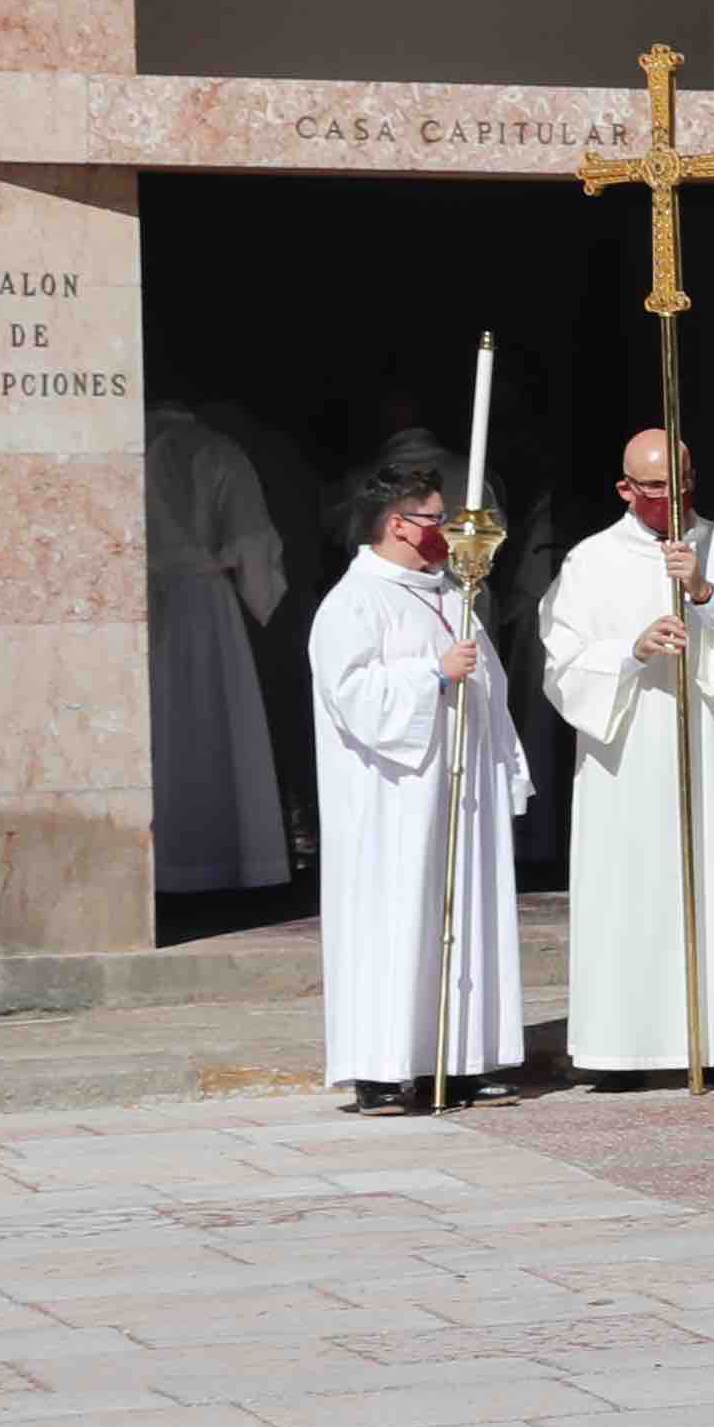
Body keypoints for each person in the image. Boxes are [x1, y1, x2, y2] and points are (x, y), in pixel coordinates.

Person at [538, 429, 714, 1084]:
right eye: (655, 489)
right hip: (626, 760)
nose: (672, 499)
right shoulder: (591, 561)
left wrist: (707, 595)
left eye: (681, 484)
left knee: (710, 884)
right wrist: (631, 649)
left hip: (706, 746)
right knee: (628, 895)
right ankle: (619, 1051)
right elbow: (562, 666)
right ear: (625, 488)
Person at [305, 440, 526, 1110]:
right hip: (391, 805)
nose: (447, 534)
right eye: (434, 521)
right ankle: (381, 1067)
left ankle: (456, 1058)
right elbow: (350, 693)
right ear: (397, 524)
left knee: (460, 916)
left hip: (455, 796)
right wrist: (429, 675)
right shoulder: (355, 601)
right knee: (395, 920)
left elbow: (488, 682)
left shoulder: (448, 593)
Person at [146, 396, 295, 893]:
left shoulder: (124, 447)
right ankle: (217, 859)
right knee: (211, 724)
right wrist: (265, 597)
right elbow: (251, 537)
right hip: (203, 610)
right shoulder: (215, 451)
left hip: (136, 598)